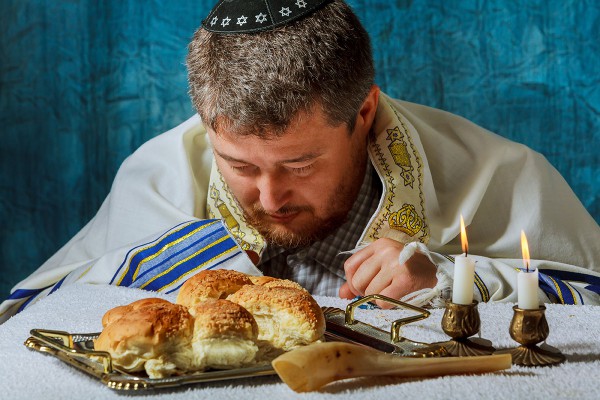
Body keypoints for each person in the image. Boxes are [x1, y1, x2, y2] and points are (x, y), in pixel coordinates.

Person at [1, 0, 599, 323]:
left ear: (364, 113)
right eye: (239, 165)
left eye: (300, 163)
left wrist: (446, 281)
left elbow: (589, 299)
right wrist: (180, 259)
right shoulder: (155, 174)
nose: (267, 198)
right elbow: (28, 317)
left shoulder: (498, 173)